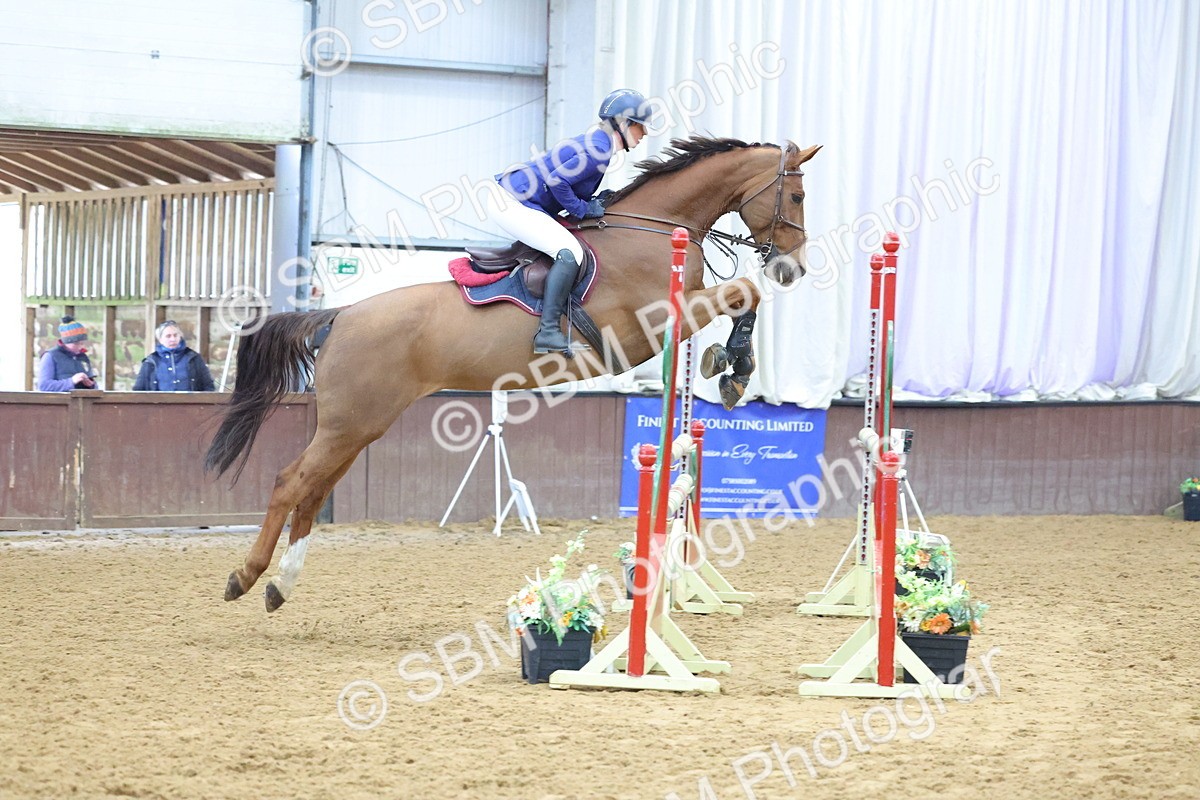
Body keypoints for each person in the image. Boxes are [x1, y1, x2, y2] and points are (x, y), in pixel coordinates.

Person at [489, 88, 654, 355]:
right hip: (511, 202)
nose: (644, 134)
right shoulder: (599, 150)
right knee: (569, 253)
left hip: (518, 196)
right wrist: (582, 209)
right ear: (623, 124)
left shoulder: (599, 143)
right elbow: (557, 181)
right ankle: (548, 332)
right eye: (640, 127)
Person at [133, 320, 216, 391]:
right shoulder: (151, 361)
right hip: (159, 408)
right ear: (160, 339)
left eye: (175, 335)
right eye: (168, 336)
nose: (173, 339)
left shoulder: (193, 358)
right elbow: (138, 390)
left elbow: (208, 386)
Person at [37, 316, 97, 391]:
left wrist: (91, 385)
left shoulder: (83, 357)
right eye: (76, 343)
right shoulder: (50, 356)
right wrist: (71, 382)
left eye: (82, 343)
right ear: (65, 342)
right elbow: (44, 386)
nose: (80, 347)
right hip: (59, 401)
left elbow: (94, 386)